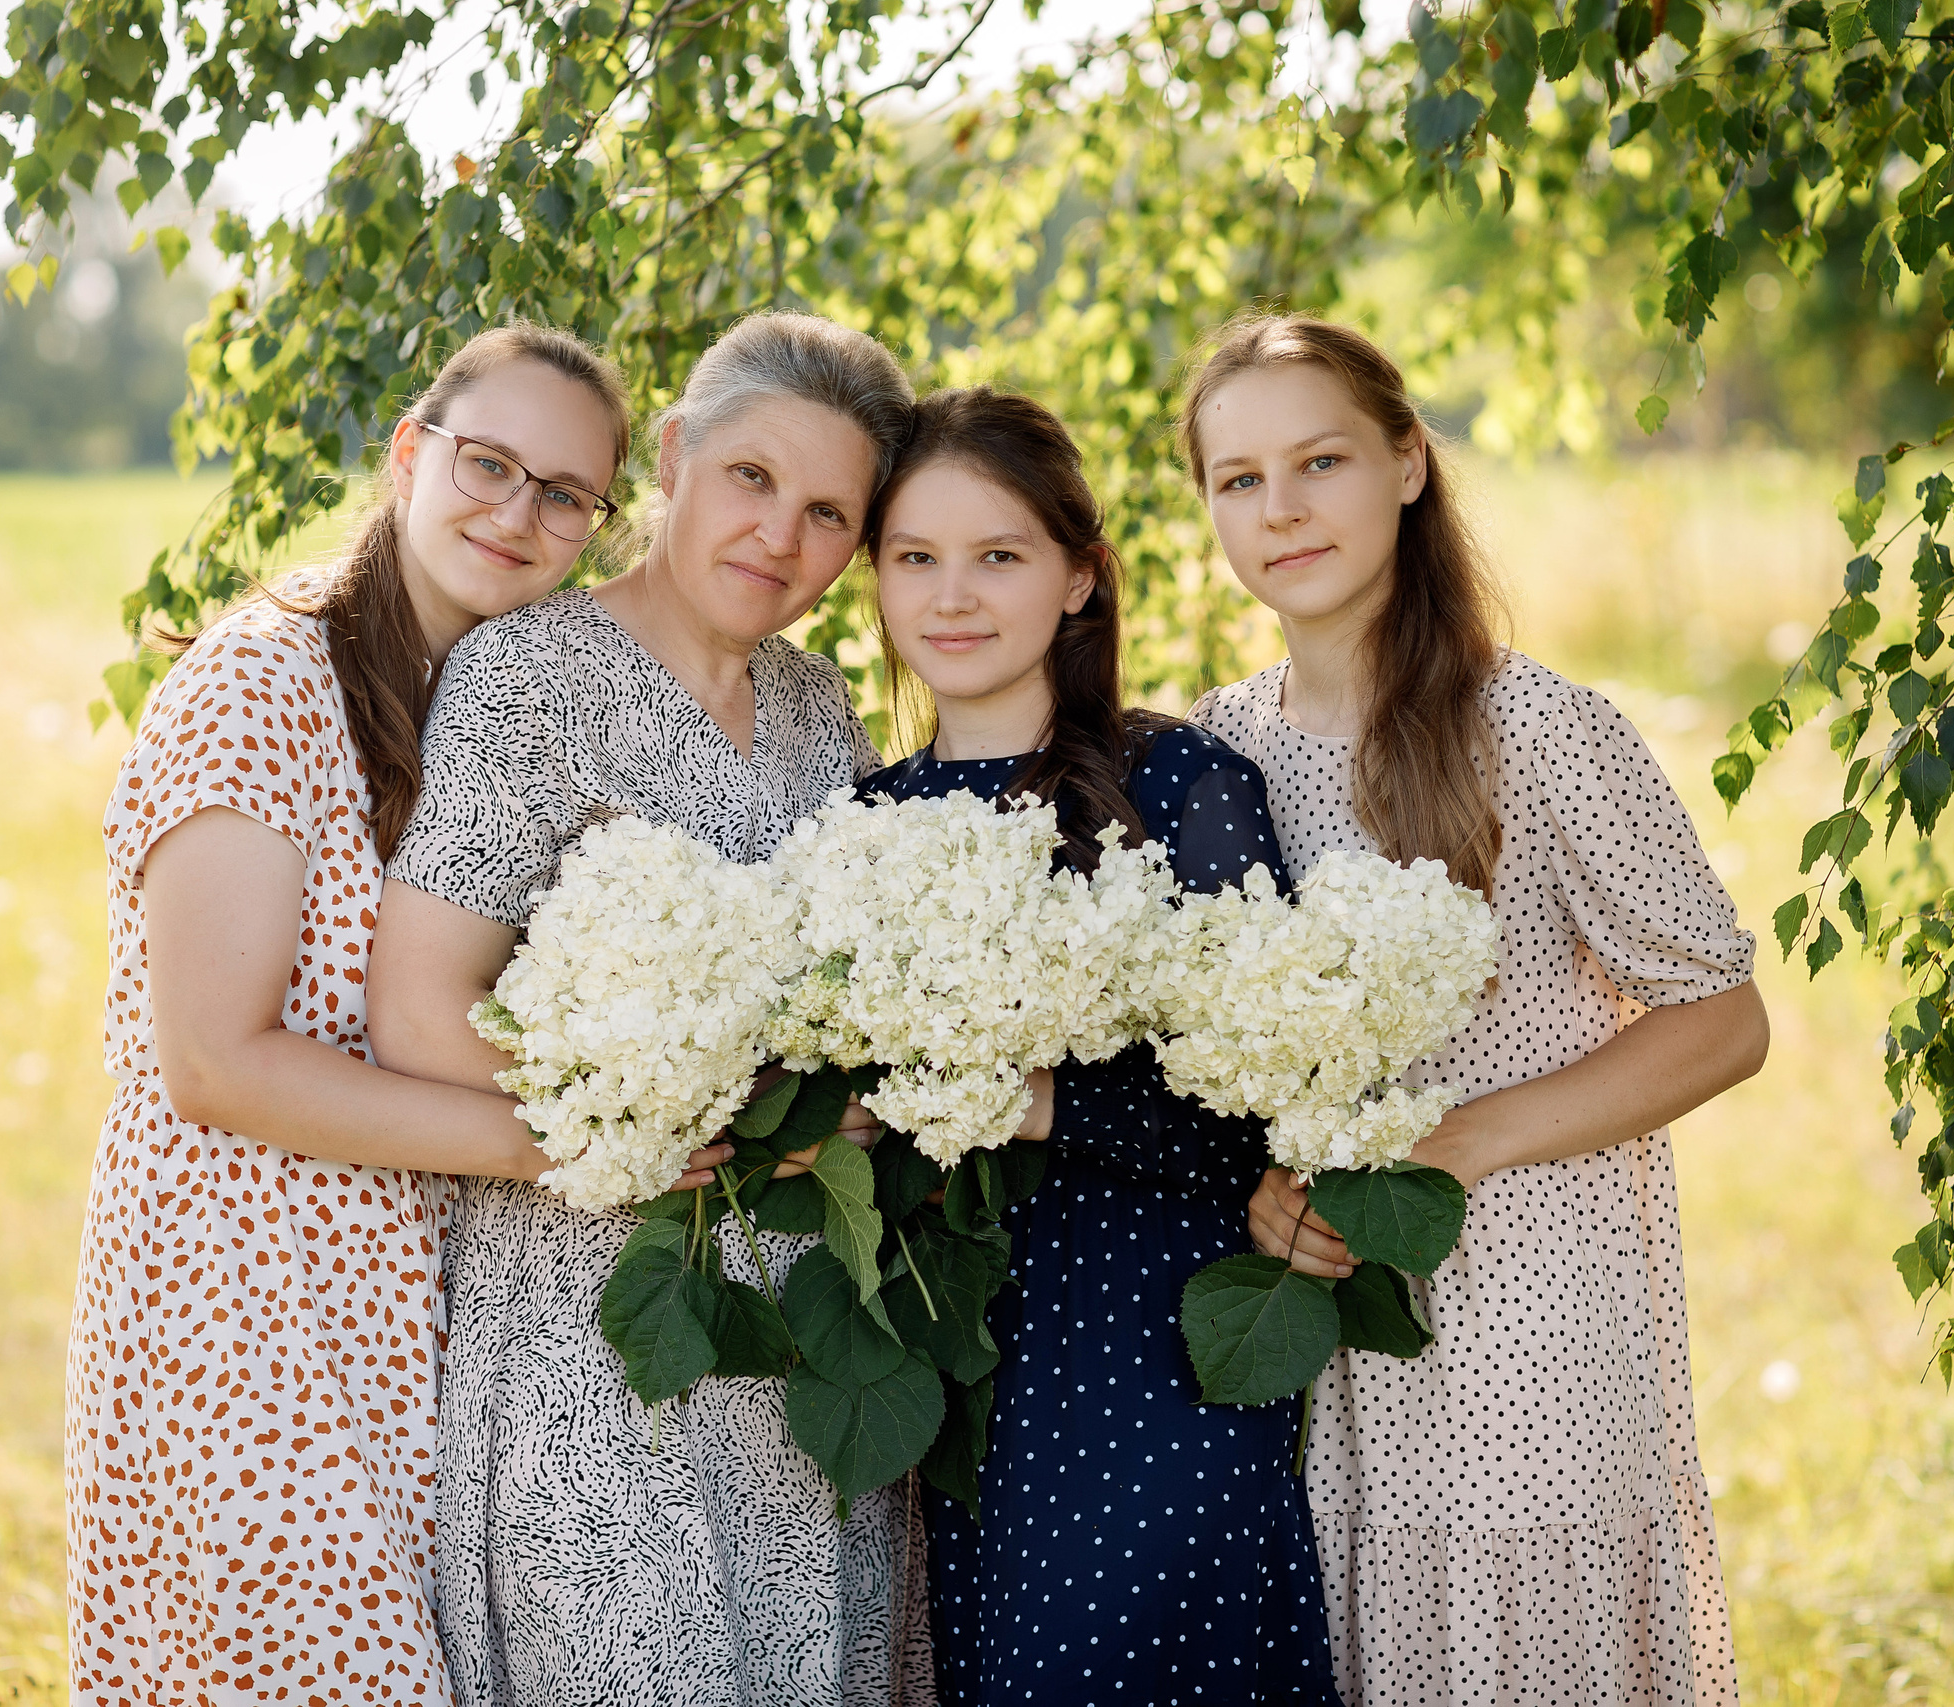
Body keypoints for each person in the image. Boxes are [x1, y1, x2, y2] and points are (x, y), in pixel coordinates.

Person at [69, 324, 683, 1707]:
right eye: (488, 464)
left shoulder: (496, 705)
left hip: (415, 1308)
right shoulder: (262, 683)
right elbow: (215, 1063)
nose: (515, 514)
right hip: (242, 1303)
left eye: (565, 494)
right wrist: (563, 1145)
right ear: (410, 453)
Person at [1180, 313, 1771, 1707]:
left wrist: (1456, 1141)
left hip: (1533, 1309)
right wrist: (1265, 1186)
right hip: (1335, 1325)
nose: (1283, 509)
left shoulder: (1539, 730)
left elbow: (1722, 1018)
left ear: (1406, 464)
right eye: (1240, 479)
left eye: (1321, 461)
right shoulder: (1215, 750)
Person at [366, 311, 927, 1707]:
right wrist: (648, 1114)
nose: (778, 538)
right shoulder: (532, 676)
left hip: (799, 1338)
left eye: (827, 515)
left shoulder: (817, 705)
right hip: (599, 1327)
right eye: (751, 478)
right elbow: (419, 1013)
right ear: (674, 457)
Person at [858, 387, 1337, 1705]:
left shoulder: (1176, 786)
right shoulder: (863, 821)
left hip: (1159, 1364)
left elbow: (1268, 1114)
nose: (953, 596)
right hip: (970, 1383)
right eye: (916, 557)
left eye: (999, 555)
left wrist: (1027, 1099)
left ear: (1077, 578)